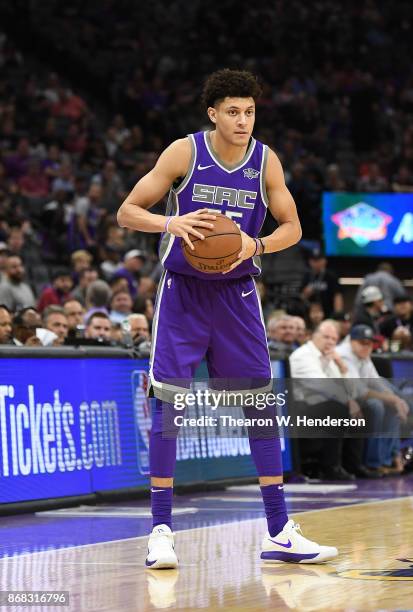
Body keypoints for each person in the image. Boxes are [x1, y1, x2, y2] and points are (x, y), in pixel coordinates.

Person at [117, 69, 337, 568]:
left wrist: (253, 244)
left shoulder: (266, 161)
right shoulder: (184, 153)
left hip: (237, 294)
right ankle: (161, 532)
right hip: (183, 295)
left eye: (250, 111)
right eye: (233, 111)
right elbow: (127, 212)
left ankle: (279, 531)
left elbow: (293, 227)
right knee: (169, 408)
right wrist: (170, 221)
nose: (243, 120)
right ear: (213, 114)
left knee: (260, 407)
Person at [289, 320, 365, 480]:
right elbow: (323, 386)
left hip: (320, 405)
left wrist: (342, 367)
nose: (330, 342)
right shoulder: (302, 356)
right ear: (313, 336)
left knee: (362, 408)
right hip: (299, 410)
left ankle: (353, 466)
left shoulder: (329, 357)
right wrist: (348, 401)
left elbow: (352, 391)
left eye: (334, 339)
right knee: (338, 408)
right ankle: (330, 467)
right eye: (326, 337)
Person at [337, 325, 409, 476]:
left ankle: (389, 459)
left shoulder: (363, 353)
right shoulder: (344, 355)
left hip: (359, 395)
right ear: (351, 341)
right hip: (344, 398)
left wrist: (395, 399)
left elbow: (376, 381)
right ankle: (372, 463)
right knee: (377, 406)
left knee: (394, 402)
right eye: (362, 342)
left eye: (369, 343)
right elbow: (358, 391)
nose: (367, 346)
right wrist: (391, 398)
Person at [300, 248, 343, 316]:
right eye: (314, 260)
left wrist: (338, 315)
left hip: (328, 312)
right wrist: (305, 293)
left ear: (324, 261)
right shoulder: (306, 276)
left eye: (319, 260)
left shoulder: (331, 276)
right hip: (310, 314)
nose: (316, 263)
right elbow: (301, 297)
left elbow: (337, 296)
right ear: (310, 261)